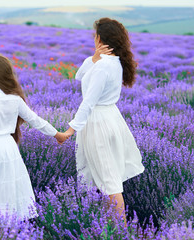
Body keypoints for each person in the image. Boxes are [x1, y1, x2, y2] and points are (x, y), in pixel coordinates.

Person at [0, 53, 68, 220]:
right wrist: (57, 134)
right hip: (9, 148)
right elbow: (35, 120)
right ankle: (9, 228)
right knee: (8, 190)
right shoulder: (15, 99)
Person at [60, 18, 145, 225]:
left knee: (109, 183)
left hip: (98, 123)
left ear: (100, 38)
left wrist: (69, 131)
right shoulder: (112, 62)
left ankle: (121, 231)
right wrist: (94, 58)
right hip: (110, 119)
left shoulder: (103, 67)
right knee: (108, 181)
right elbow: (79, 76)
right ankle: (112, 228)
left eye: (95, 35)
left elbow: (88, 103)